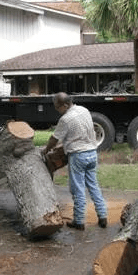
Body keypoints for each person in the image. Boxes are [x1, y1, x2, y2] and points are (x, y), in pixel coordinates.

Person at [42, 92, 107, 230]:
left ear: (65, 105)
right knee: (94, 186)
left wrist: (46, 150)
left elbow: (54, 139)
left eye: (57, 107)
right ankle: (103, 216)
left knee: (78, 190)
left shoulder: (66, 119)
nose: (56, 110)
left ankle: (79, 221)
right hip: (92, 153)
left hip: (78, 156)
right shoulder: (84, 110)